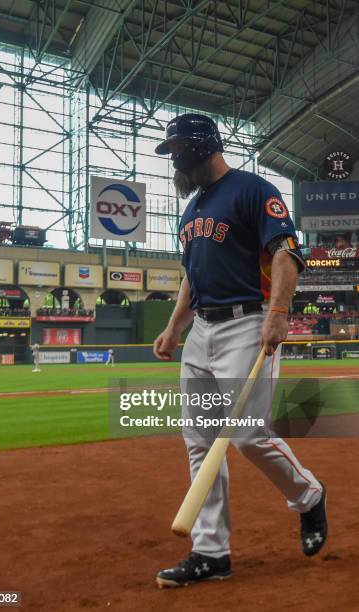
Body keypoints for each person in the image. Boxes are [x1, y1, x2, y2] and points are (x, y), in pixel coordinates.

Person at [153, 113, 327, 588]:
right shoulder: (191, 213)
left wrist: (278, 313)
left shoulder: (253, 190)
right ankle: (211, 552)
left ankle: (309, 496)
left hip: (247, 322)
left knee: (248, 435)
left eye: (175, 152)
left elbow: (286, 253)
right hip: (201, 332)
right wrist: (173, 328)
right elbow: (193, 277)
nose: (173, 162)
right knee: (200, 444)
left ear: (199, 148)